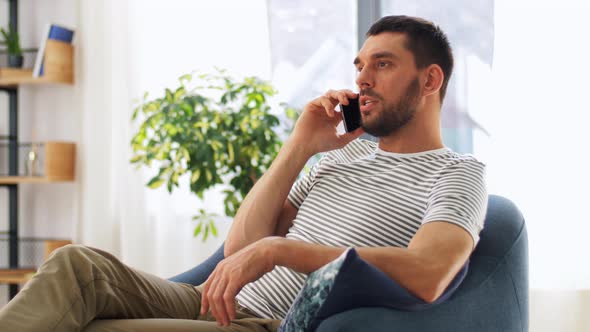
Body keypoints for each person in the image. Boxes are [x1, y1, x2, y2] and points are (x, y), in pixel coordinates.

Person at [0, 15, 486, 332]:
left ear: (429, 80)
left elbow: (428, 273)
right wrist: (299, 146)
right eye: (360, 65)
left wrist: (281, 250)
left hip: (266, 322)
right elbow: (239, 247)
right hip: (208, 300)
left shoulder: (458, 174)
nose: (362, 78)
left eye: (382, 64)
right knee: (74, 265)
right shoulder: (335, 159)